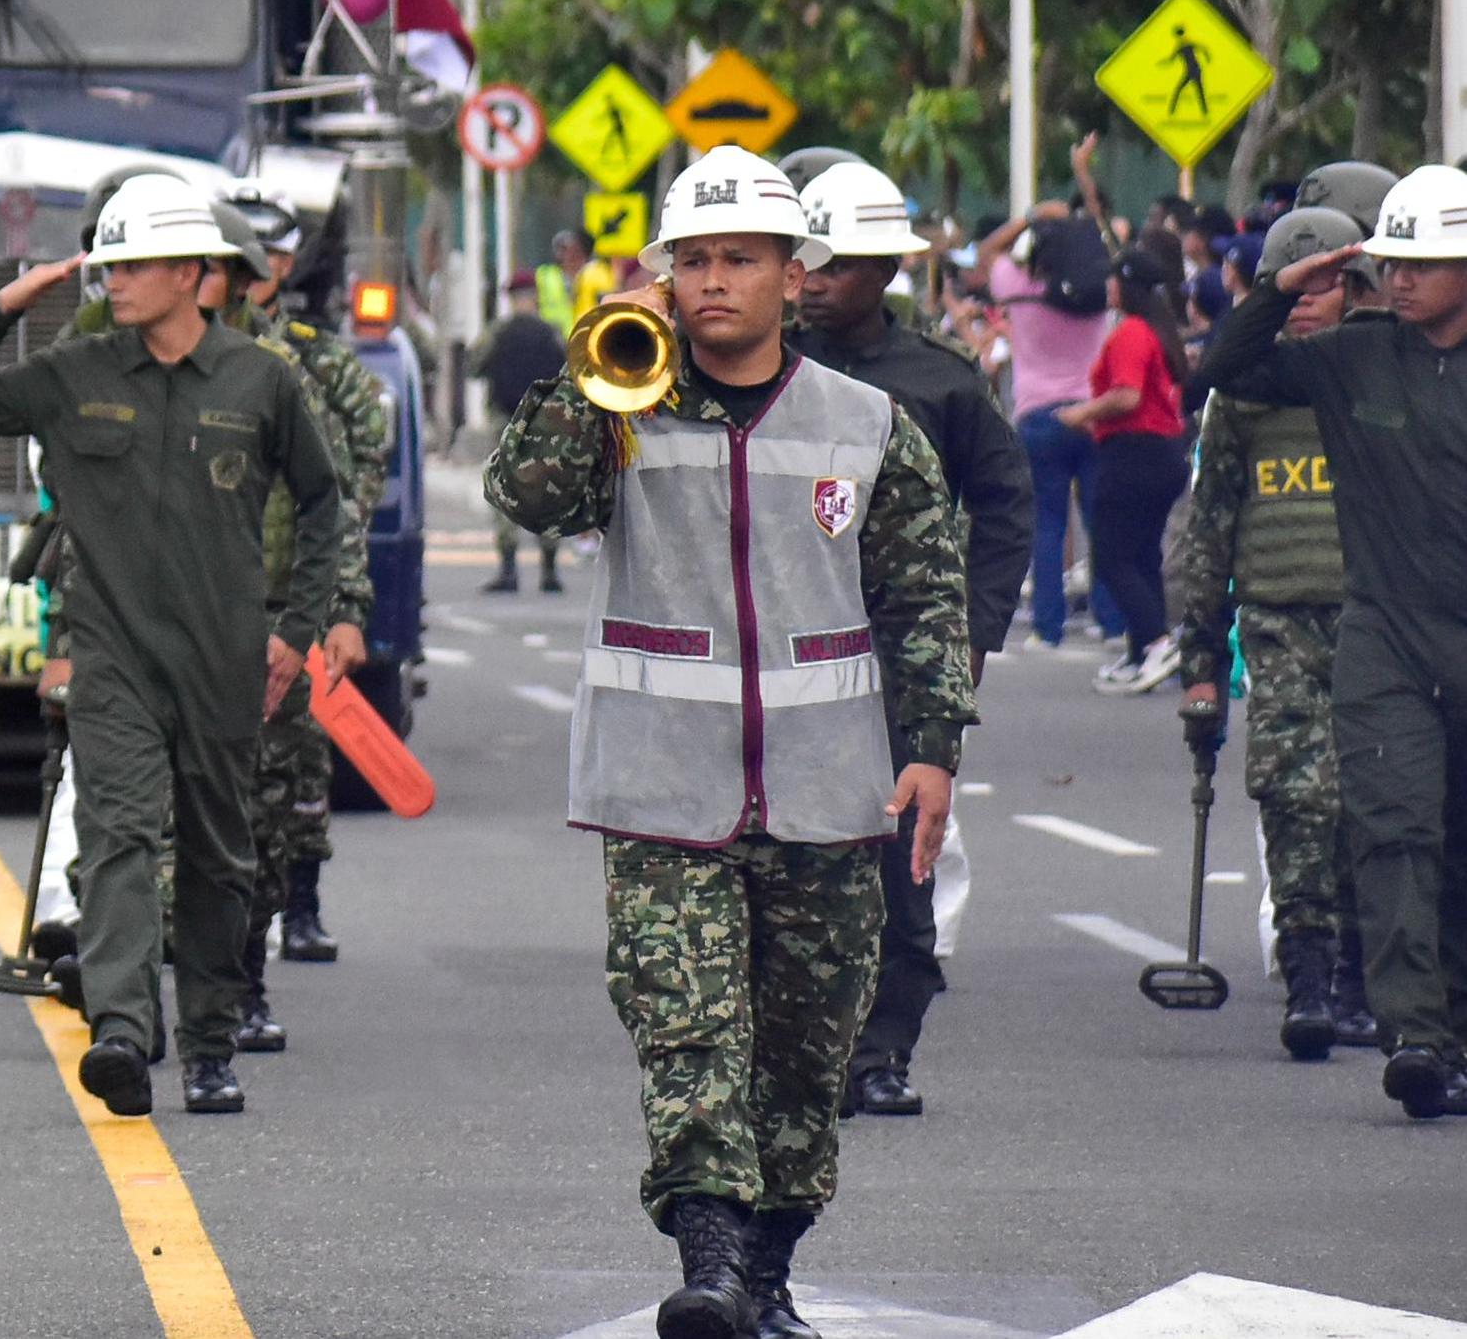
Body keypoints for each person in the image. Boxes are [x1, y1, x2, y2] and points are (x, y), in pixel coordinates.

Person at [485, 148, 972, 1339]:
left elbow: (924, 593)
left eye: (737, 259)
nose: (711, 283)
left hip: (826, 796)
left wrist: (934, 746)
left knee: (807, 1064)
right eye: (690, 261)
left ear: (792, 274)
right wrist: (595, 360)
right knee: (690, 1035)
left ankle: (765, 1276)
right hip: (661, 796)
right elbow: (524, 493)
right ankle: (707, 1265)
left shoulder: (867, 426)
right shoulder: (622, 402)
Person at [0, 171, 351, 1118]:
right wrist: (9, 303)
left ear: (192, 274)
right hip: (114, 662)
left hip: (224, 662)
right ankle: (122, 1029)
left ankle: (209, 1045)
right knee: (119, 837)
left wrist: (298, 628)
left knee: (217, 855)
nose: (112, 282)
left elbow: (323, 499)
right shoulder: (77, 377)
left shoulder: (260, 379)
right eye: (108, 264)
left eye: (132, 265)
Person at [1199, 162, 1467, 1120]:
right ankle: (1418, 1036)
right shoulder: (1352, 359)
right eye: (1390, 263)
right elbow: (1217, 368)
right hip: (1385, 642)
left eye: (1423, 264)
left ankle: (1457, 1029)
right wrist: (1284, 287)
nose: (1399, 281)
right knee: (1394, 830)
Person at [792, 161, 1033, 1121]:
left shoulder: (941, 383)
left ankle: (884, 1049)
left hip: (899, 656)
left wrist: (971, 637)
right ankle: (802, 1040)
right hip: (781, 648)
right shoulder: (758, 367)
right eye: (803, 259)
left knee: (901, 857)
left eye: (839, 263)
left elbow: (1007, 509)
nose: (813, 278)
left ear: (886, 267)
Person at [1170, 205, 1376, 1063]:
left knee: (1376, 802)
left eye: (1327, 282)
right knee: (1299, 798)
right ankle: (1313, 977)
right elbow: (1207, 534)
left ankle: (1374, 977)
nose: (1306, 301)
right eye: (1290, 284)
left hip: (1380, 621)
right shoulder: (1247, 399)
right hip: (1279, 622)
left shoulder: (1379, 376)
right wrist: (1202, 664)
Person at [216, 183, 387, 982]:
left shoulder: (301, 362)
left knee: (289, 771)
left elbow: (342, 478)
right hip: (198, 602)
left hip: (284, 597)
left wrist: (339, 599)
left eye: (272, 255)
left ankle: (284, 915)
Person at [982, 134, 1124, 650]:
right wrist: (1084, 182)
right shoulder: (1096, 299)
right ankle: (1111, 623)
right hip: (1092, 414)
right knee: (1098, 521)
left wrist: (1031, 216)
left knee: (1046, 525)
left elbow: (986, 252)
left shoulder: (1018, 294)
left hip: (1038, 417)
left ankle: (1047, 627)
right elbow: (1113, 247)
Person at [1065, 245, 1194, 693]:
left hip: (1135, 452)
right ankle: (1143, 649)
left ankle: (1157, 642)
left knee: (1113, 557)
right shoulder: (1156, 330)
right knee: (1142, 556)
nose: (1107, 286)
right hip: (1162, 454)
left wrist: (1081, 414)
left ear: (1127, 285)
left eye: (1113, 278)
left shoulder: (1132, 334)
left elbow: (1127, 395)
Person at [481, 273, 571, 593]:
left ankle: (508, 570)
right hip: (545, 421)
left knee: (505, 488)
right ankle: (549, 570)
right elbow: (568, 371)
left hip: (505, 419)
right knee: (546, 489)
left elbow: (474, 364)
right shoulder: (551, 333)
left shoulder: (499, 332)